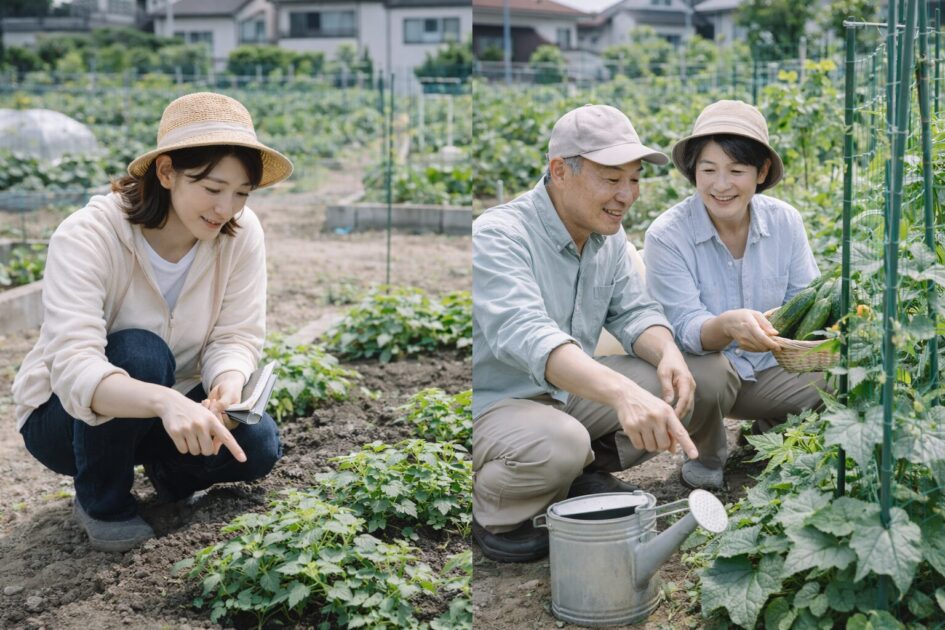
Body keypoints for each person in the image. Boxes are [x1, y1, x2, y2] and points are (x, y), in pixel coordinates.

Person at [12, 92, 294, 552]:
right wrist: (164, 402)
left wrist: (227, 381)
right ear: (166, 172)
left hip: (167, 408)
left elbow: (235, 334)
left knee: (258, 445)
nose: (226, 208)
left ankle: (166, 471)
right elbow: (75, 367)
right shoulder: (89, 235)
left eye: (241, 193)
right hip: (67, 420)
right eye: (212, 188)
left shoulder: (241, 234)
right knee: (140, 351)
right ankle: (103, 500)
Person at [472, 104, 738, 563]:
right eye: (611, 179)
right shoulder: (499, 236)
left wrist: (669, 352)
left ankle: (576, 476)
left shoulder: (605, 235)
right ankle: (498, 511)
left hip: (565, 395)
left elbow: (635, 311)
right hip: (498, 403)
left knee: (703, 377)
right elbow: (530, 334)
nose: (627, 194)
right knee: (561, 443)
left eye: (634, 179)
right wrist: (622, 394)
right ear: (560, 171)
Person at [643, 99, 824, 487]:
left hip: (769, 368)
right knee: (704, 373)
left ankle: (769, 432)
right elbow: (682, 324)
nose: (720, 185)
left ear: (760, 173)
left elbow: (804, 298)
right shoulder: (667, 234)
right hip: (706, 373)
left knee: (837, 376)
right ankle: (708, 457)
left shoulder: (785, 222)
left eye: (736, 170)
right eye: (708, 170)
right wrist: (727, 325)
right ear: (694, 171)